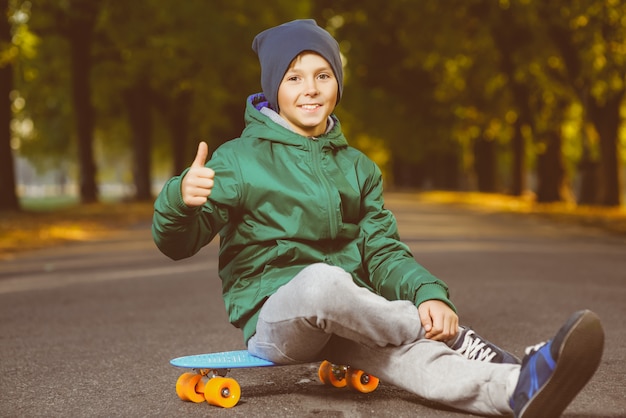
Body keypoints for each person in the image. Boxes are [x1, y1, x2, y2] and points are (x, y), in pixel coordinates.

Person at [152, 19, 604, 417]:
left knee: (413, 358)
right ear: (274, 87)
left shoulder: (359, 168)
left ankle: (516, 387)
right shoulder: (238, 160)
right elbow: (176, 244)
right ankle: (450, 336)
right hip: (277, 318)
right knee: (322, 282)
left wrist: (429, 293)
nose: (310, 88)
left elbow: (383, 251)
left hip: (356, 315)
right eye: (294, 78)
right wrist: (179, 200)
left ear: (337, 83)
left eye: (322, 75)